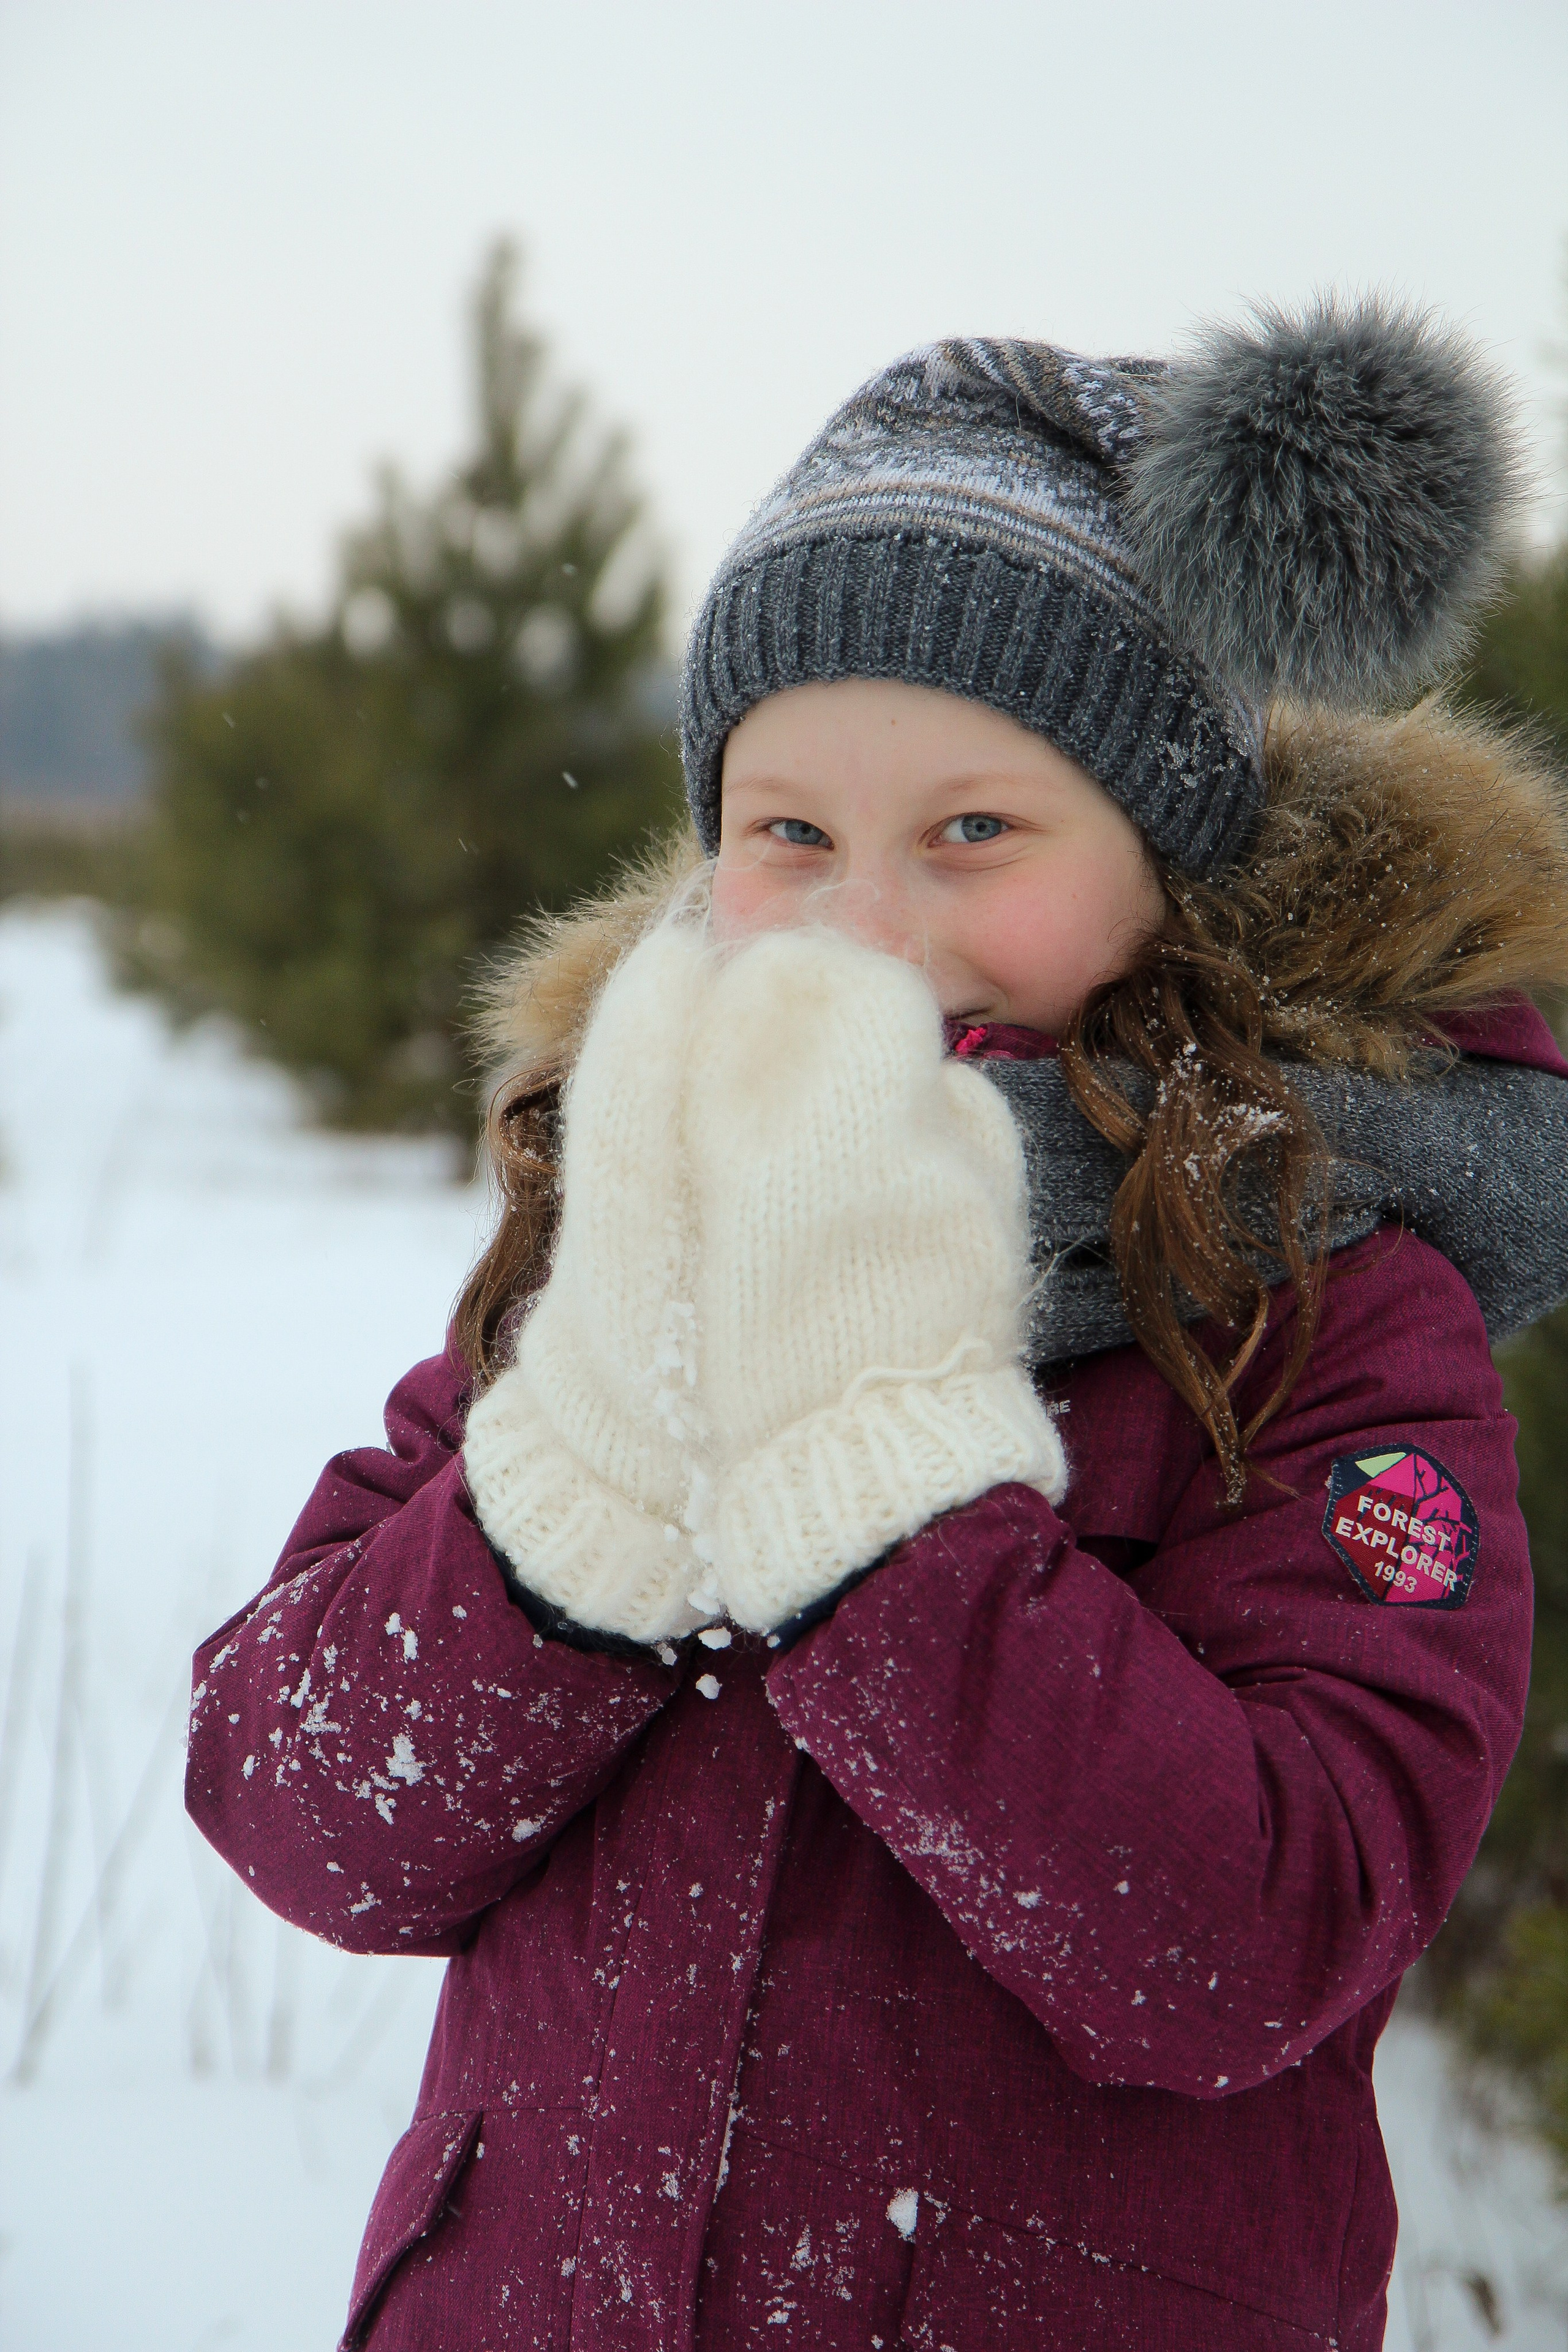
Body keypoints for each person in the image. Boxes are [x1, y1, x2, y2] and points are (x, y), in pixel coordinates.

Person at [187, 300, 1568, 2350]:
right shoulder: (636, 1225)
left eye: (973, 832)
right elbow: (308, 1808)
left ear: (1167, 859)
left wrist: (877, 1493)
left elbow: (1253, 1937)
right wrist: (578, 1482)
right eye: (793, 836)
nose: (865, 922)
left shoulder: (1325, 1310)